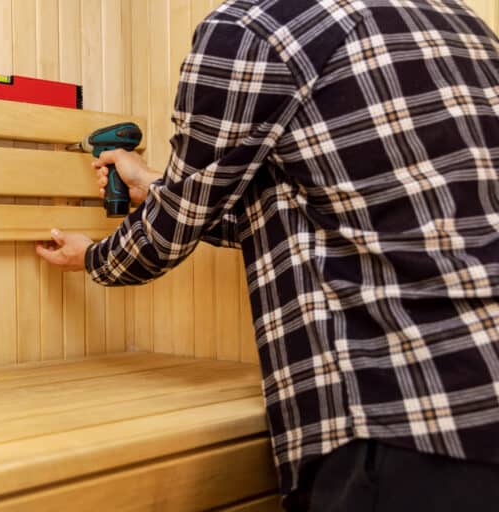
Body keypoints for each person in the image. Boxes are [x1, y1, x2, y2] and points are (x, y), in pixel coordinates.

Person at [36, 1, 499, 510]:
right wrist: (155, 186)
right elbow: (329, 211)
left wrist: (95, 256)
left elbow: (166, 235)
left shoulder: (251, 29)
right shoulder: (456, 21)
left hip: (394, 415)